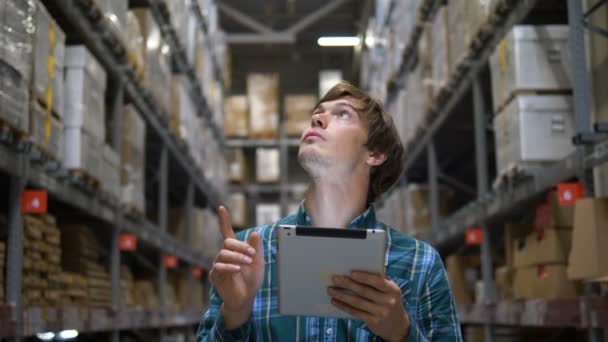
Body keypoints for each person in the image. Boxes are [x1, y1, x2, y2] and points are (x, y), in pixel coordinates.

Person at [197, 81, 462, 341]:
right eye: (317, 114)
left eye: (343, 114)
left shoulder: (419, 264)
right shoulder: (246, 256)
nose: (318, 119)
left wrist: (402, 332)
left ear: (376, 153)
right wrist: (234, 312)